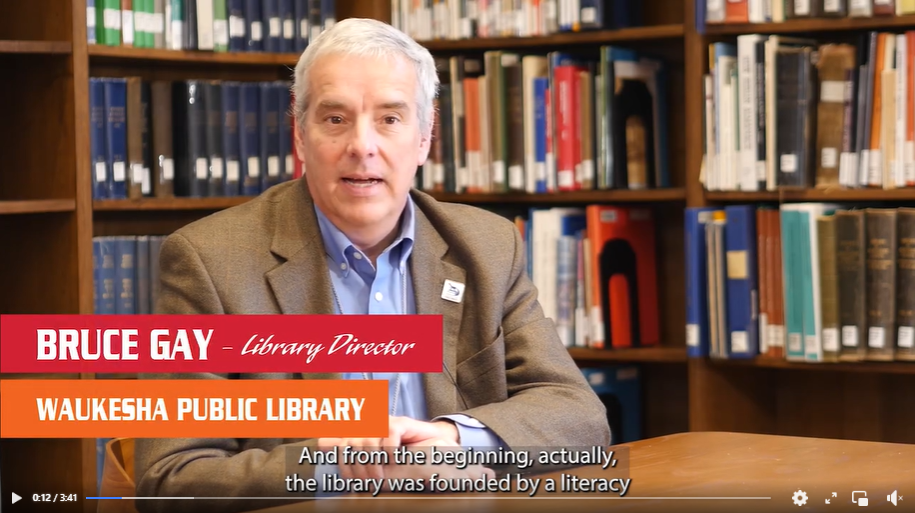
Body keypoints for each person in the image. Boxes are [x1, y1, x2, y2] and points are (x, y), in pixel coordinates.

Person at [134, 17, 610, 513]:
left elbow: (578, 415)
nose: (362, 146)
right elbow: (171, 478)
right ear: (300, 133)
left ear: (425, 136)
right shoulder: (211, 261)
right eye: (335, 119)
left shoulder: (486, 246)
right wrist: (329, 465)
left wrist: (454, 438)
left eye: (390, 118)